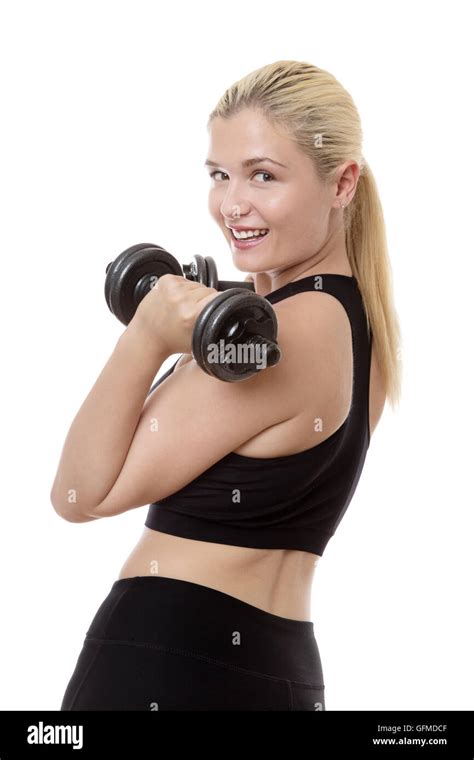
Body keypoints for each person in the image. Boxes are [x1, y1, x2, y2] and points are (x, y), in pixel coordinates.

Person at [52, 59, 402, 711]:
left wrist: (148, 335)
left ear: (342, 181)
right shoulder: (364, 328)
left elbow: (79, 493)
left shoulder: (283, 337)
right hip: (284, 670)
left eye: (264, 176)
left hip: (171, 659)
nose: (232, 205)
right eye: (221, 176)